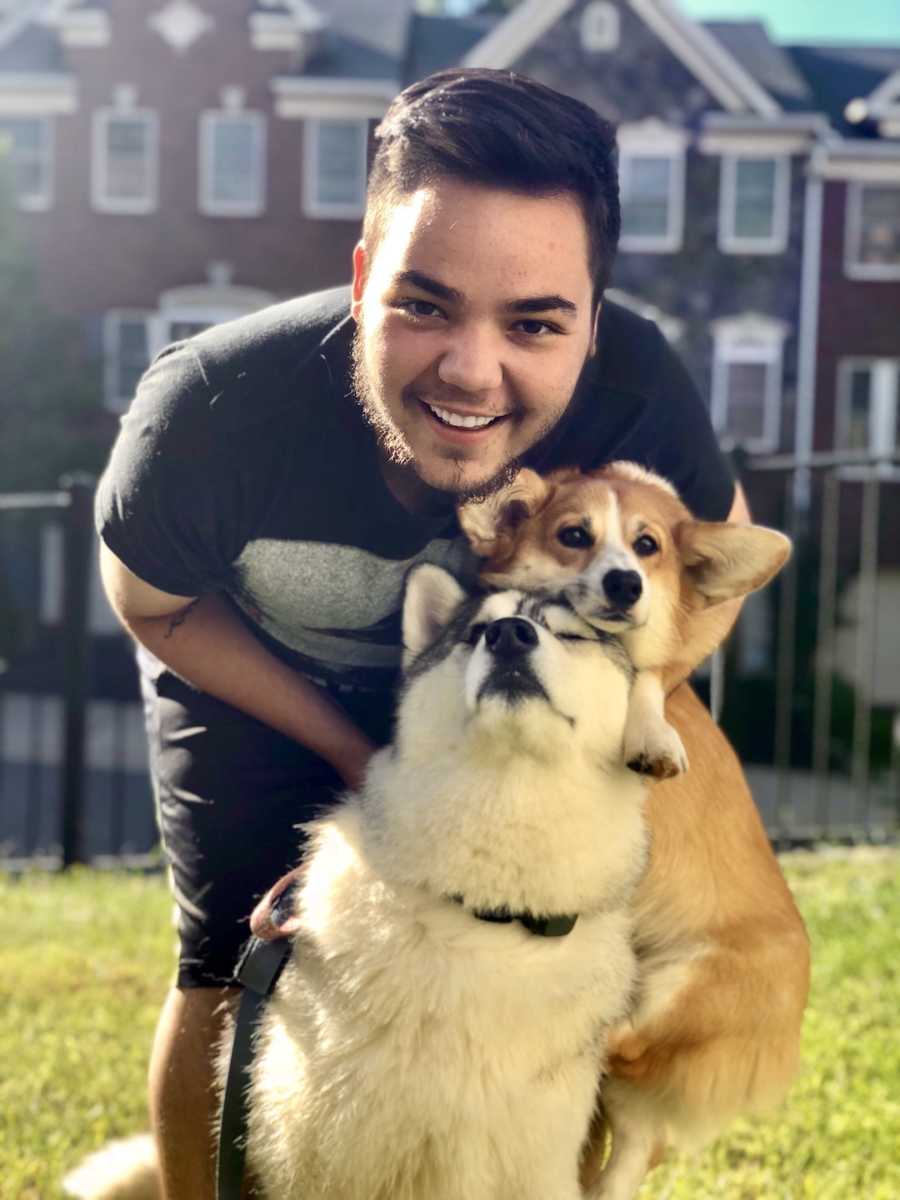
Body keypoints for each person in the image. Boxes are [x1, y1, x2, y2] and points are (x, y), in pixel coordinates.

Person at [97, 68, 749, 1199]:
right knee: (226, 970)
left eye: (535, 323)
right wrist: (365, 765)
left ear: (595, 327)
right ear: (362, 280)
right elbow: (151, 602)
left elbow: (721, 563)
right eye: (424, 304)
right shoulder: (209, 409)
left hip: (513, 691)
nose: (469, 369)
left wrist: (636, 702)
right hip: (262, 673)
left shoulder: (646, 394)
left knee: (573, 956)